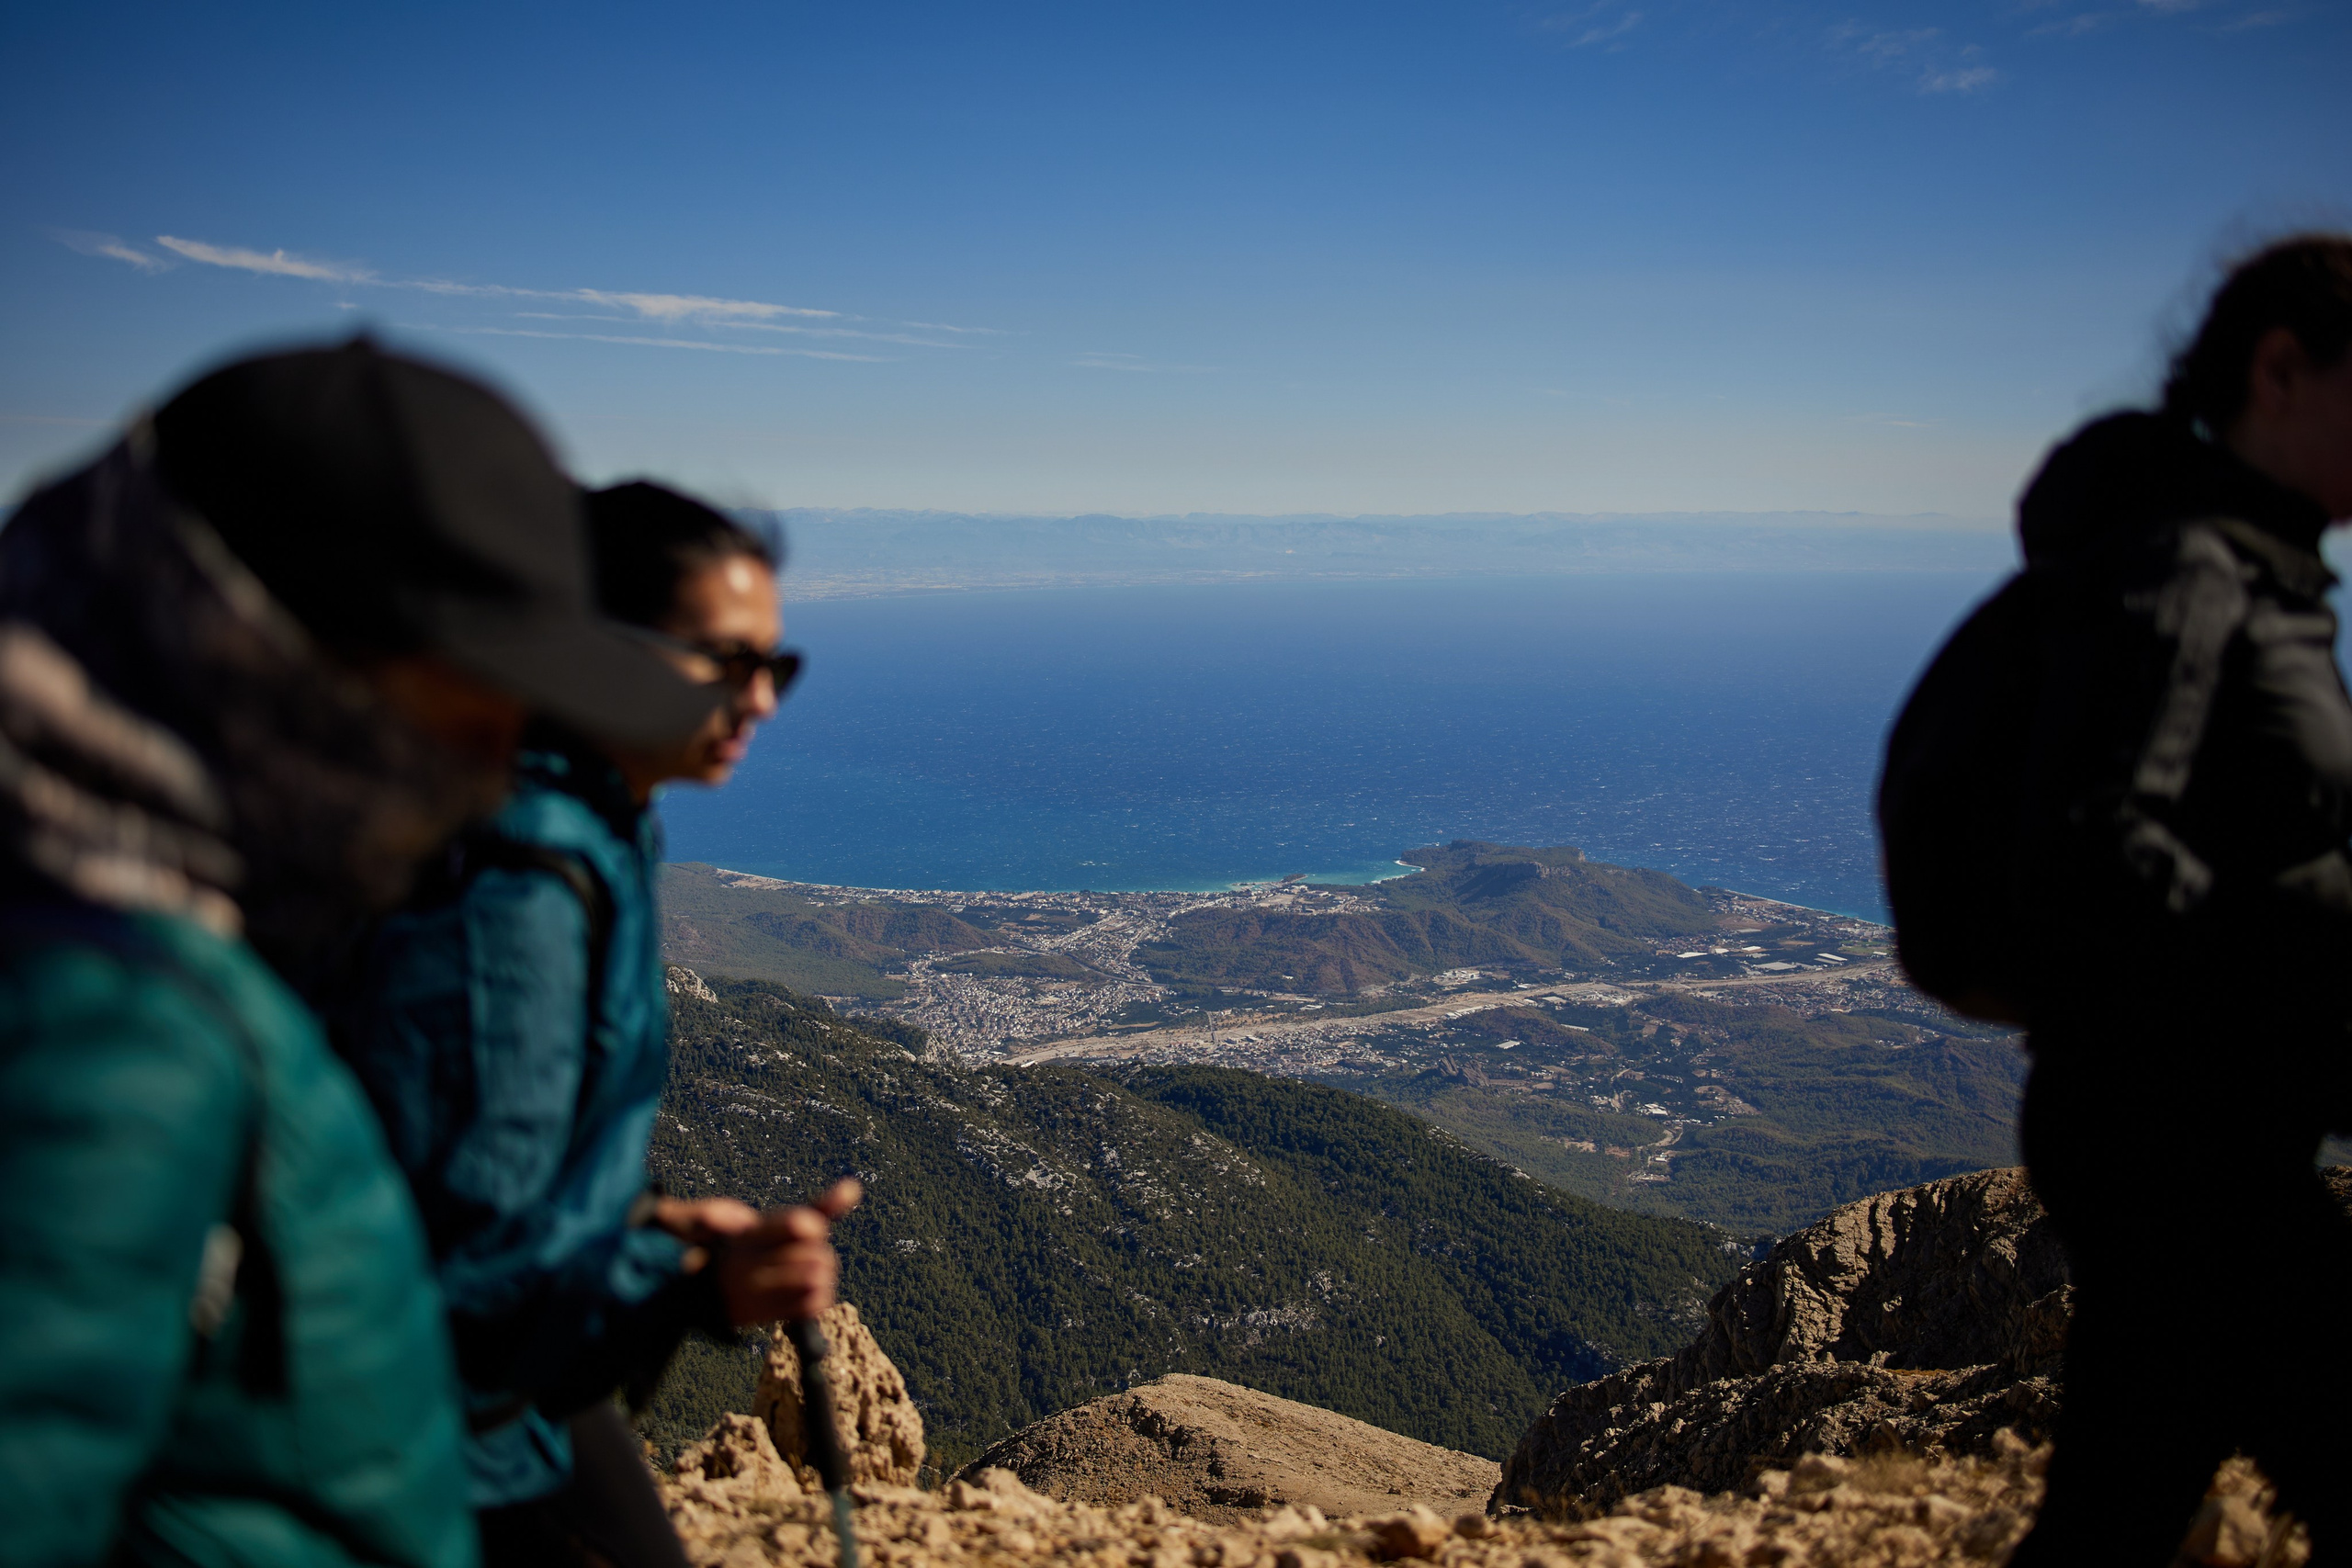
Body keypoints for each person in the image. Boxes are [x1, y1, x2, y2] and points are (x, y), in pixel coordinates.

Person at [0, 340, 726, 1566]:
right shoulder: (105, 1029)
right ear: (252, 654)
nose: (490, 780)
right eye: (460, 719)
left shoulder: (155, 920)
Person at [335, 479, 850, 1568]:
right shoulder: (516, 890)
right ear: (591, 646)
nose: (758, 700)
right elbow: (460, 1261)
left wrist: (652, 1221)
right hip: (426, 1425)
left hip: (511, 1392)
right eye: (724, 661)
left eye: (775, 668)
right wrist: (693, 1288)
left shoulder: (602, 826)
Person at [1999, 235, 2352, 1563]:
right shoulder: (2189, 567)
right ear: (2280, 369)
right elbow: (2098, 835)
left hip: (2188, 1120)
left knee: (2115, 1506)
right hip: (2181, 1122)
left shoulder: (2248, 570)